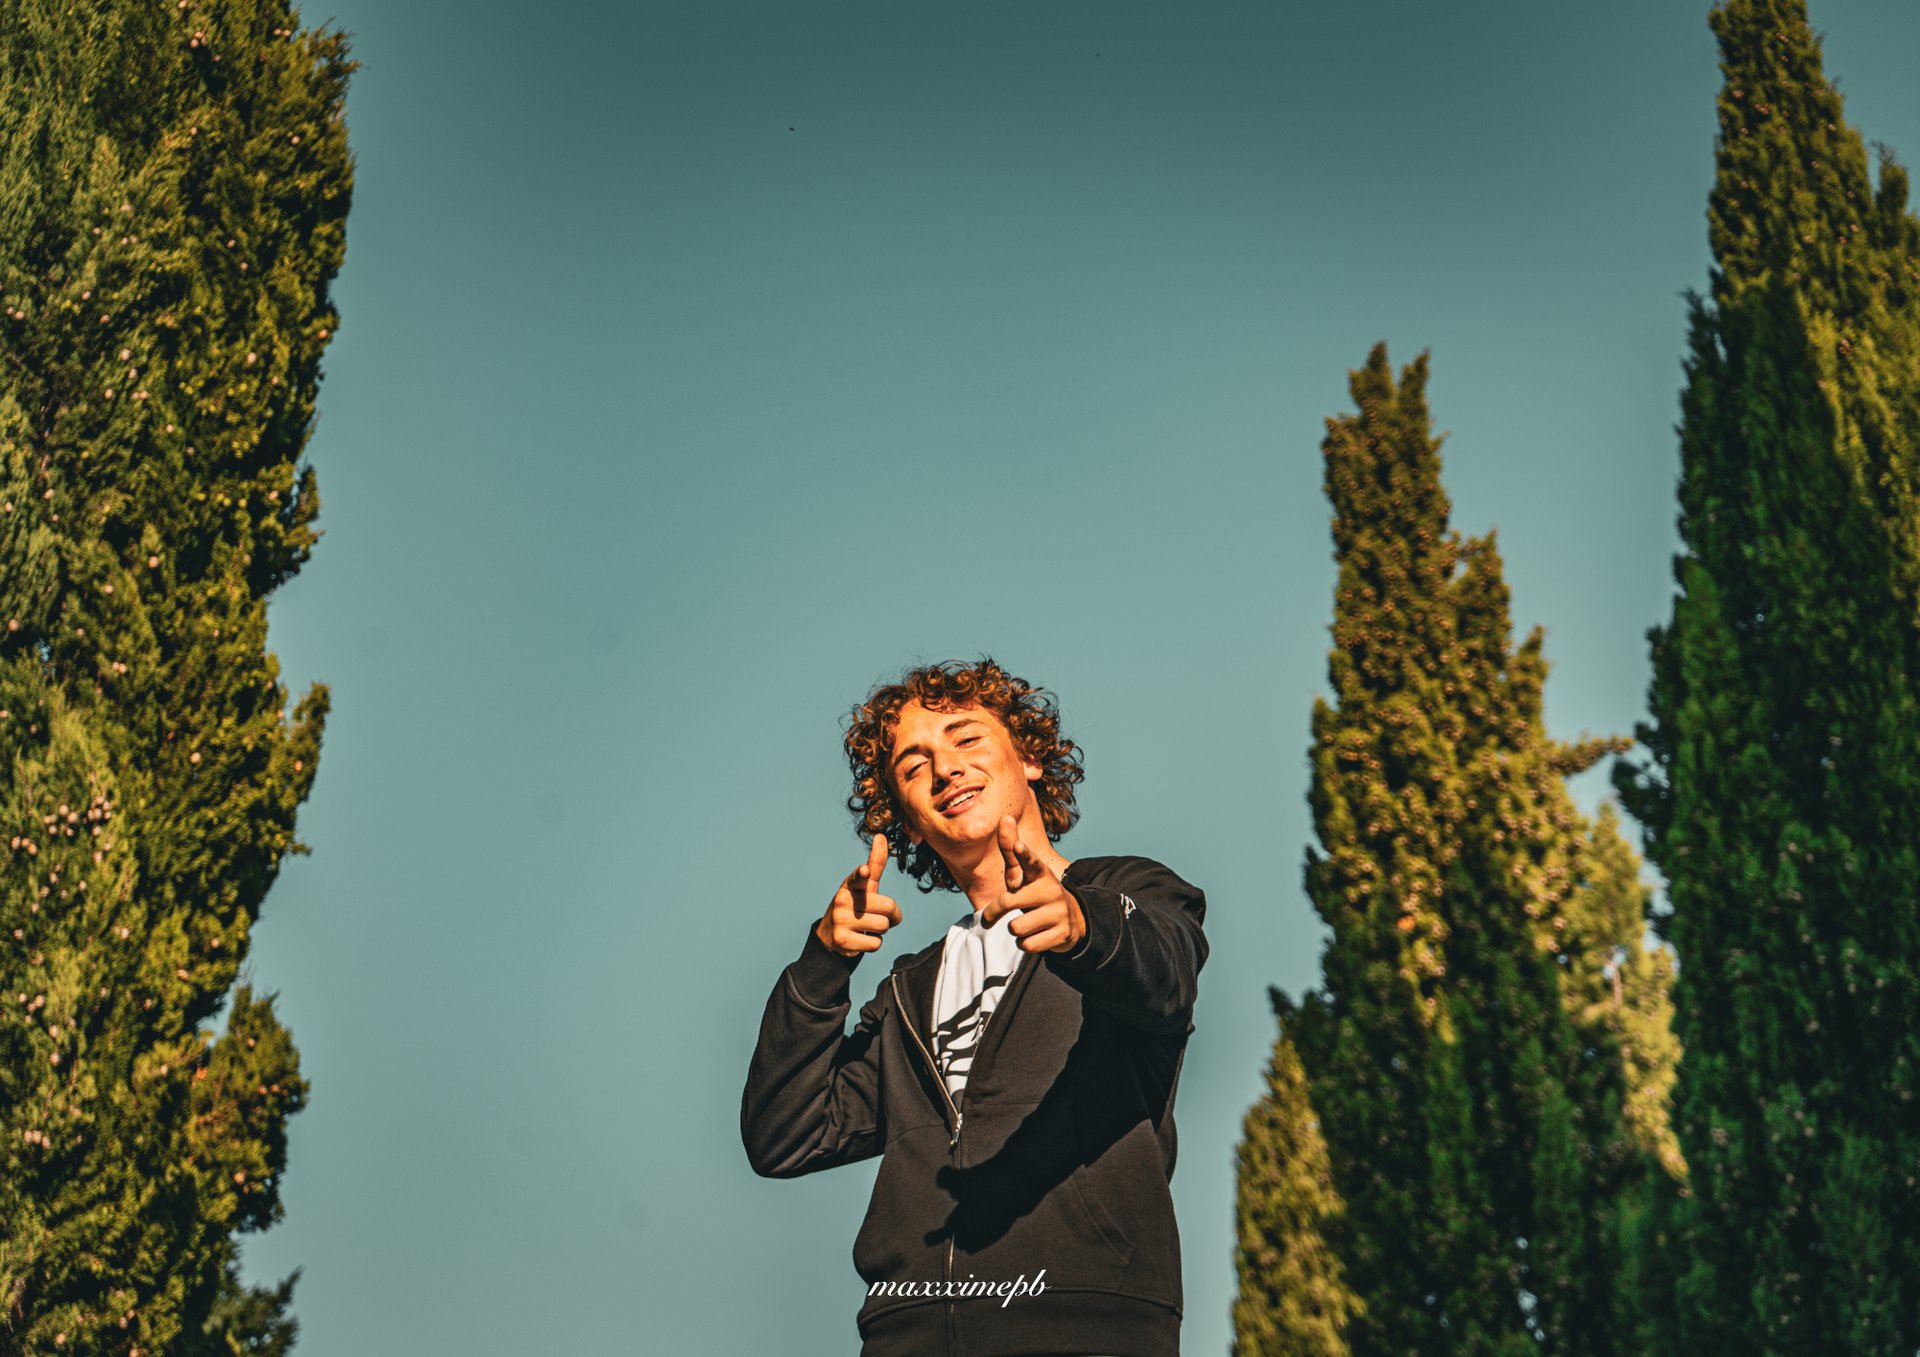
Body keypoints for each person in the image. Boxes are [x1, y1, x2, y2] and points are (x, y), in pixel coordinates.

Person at [741, 658, 1207, 1357]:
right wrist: (823, 962)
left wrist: (1083, 924)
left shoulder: (1129, 895)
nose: (945, 768)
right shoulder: (908, 991)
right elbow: (786, 1133)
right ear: (909, 823)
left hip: (1087, 1328)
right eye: (913, 764)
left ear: (1033, 759)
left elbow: (1166, 971)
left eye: (966, 739)